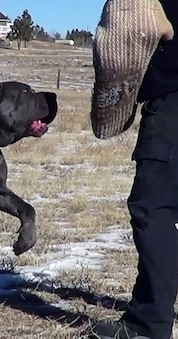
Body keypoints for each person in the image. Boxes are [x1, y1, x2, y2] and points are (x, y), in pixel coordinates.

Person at [86, 0, 178, 338]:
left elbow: (131, 31)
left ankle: (148, 325)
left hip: (174, 104)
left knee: (155, 209)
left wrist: (110, 107)